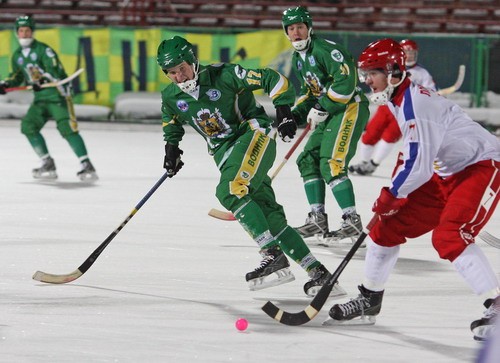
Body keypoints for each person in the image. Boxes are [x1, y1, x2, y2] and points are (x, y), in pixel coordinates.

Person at [327, 38, 500, 342]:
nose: (367, 80)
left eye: (372, 73)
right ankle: (369, 300)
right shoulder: (398, 98)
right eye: (365, 72)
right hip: (445, 173)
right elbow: (412, 154)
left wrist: (392, 193)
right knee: (385, 228)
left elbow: (418, 164)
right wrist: (395, 194)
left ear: (393, 71)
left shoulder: (414, 103)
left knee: (449, 234)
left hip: (481, 166)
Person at [156, 35, 346, 298]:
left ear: (193, 62)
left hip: (253, 135)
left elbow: (273, 78)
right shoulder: (171, 96)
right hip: (226, 155)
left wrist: (283, 110)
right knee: (271, 218)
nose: (179, 77)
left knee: (231, 190)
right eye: (171, 73)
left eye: (182, 69)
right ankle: (320, 275)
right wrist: (171, 148)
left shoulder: (224, 74)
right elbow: (171, 120)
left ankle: (272, 254)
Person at [281, 6, 370, 242]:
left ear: (309, 28)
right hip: (331, 110)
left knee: (332, 162)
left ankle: (352, 221)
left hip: (349, 107)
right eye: (291, 28)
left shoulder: (325, 50)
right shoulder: (298, 59)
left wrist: (322, 106)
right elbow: (310, 93)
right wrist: (294, 116)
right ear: (286, 33)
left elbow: (346, 82)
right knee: (307, 160)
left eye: (300, 26)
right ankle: (317, 219)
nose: (296, 32)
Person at [0, 15, 97, 181]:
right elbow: (17, 76)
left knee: (67, 129)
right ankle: (47, 162)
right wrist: (5, 84)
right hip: (40, 98)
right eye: (21, 31)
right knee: (28, 126)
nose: (24, 34)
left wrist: (42, 79)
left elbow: (55, 70)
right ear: (17, 33)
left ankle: (86, 164)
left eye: (27, 30)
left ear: (32, 32)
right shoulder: (17, 55)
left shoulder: (44, 50)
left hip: (57, 94)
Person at [349, 39, 436, 176]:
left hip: (405, 110)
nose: (410, 55)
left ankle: (373, 164)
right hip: (387, 106)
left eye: (412, 52)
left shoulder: (423, 73)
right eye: (406, 52)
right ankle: (364, 162)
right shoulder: (387, 67)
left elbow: (430, 93)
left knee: (389, 137)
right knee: (370, 133)